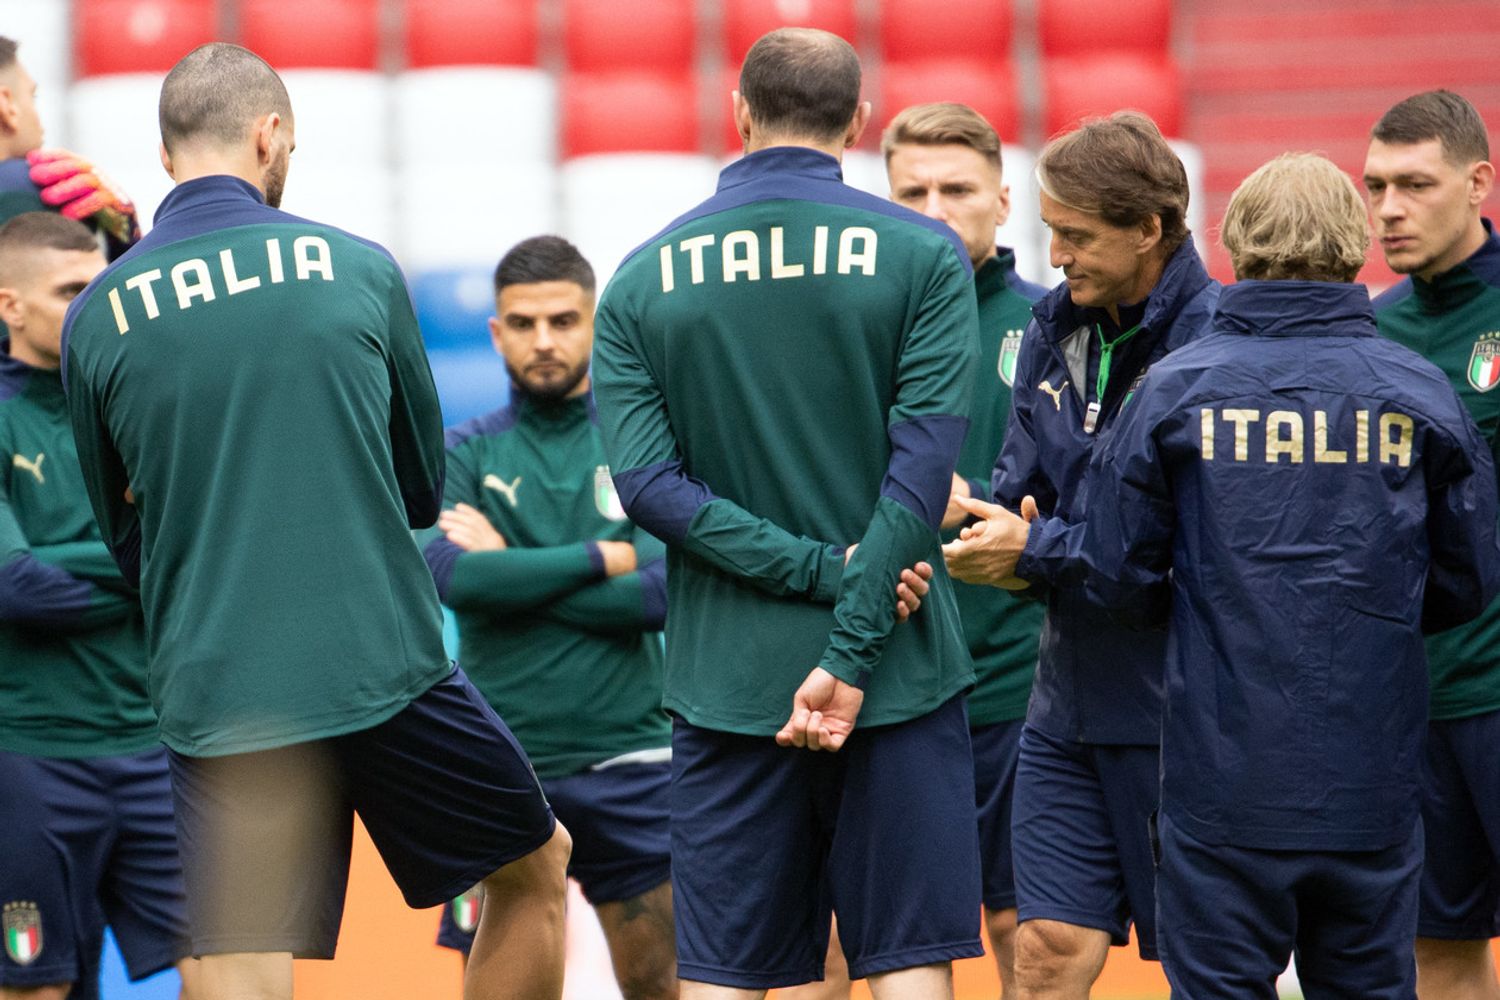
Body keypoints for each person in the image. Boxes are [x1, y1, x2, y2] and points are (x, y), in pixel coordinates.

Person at [60, 43, 570, 1000]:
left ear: (166, 156)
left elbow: (127, 542)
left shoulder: (94, 315)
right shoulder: (359, 267)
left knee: (241, 953)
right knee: (534, 868)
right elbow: (420, 491)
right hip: (381, 662)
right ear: (270, 135)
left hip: (216, 682)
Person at [592, 27, 982, 1000]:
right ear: (858, 121)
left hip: (727, 685)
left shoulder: (641, 276)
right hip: (897, 676)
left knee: (725, 978)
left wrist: (813, 570)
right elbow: (921, 476)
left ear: (739, 113)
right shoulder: (924, 254)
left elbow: (650, 489)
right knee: (909, 967)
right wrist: (849, 647)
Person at [1083, 150, 1500, 999]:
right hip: (1373, 781)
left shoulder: (1174, 389)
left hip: (1220, 783)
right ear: (1355, 243)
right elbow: (1468, 580)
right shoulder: (1420, 390)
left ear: (1237, 243)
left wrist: (1207, 614)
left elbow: (1115, 574)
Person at [942, 112, 1219, 999]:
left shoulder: (1219, 348)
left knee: (1205, 967)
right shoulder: (1050, 328)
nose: (1055, 256)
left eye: (1077, 235)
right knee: (1046, 948)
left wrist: (1040, 547)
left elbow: (1172, 555)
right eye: (1050, 231)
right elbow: (1022, 488)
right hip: (1063, 706)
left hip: (1182, 714)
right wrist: (1020, 540)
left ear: (1149, 228)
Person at [419, 235, 676, 1000]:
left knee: (662, 982)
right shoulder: (462, 452)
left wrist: (510, 565)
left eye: (563, 321)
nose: (543, 341)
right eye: (523, 324)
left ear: (594, 323)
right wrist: (602, 555)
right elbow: (451, 578)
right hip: (500, 764)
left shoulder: (639, 446)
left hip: (632, 756)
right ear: (495, 332)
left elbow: (659, 595)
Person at [0, 212, 197, 1000]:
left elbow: (200, 555)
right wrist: (144, 563)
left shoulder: (140, 407)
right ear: (10, 306)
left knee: (229, 977)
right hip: (29, 760)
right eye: (70, 291)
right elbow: (18, 589)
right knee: (40, 988)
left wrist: (64, 558)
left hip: (158, 749)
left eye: (100, 289)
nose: (91, 308)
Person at [885, 101, 1046, 997]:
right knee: (878, 935)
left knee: (1028, 931)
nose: (936, 210)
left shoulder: (1056, 324)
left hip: (1021, 681)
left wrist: (975, 504)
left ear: (1003, 199)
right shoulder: (862, 328)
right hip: (891, 679)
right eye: (913, 193)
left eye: (958, 189)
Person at [1366, 90, 1500, 1000]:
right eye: (1376, 186)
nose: (1389, 209)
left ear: (1477, 182)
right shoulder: (1373, 331)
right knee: (1438, 950)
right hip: (1418, 699)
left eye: (1415, 185)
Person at [0, 36, 138, 249]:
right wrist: (126, 234)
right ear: (7, 106)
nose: (40, 124)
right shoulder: (29, 189)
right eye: (32, 97)